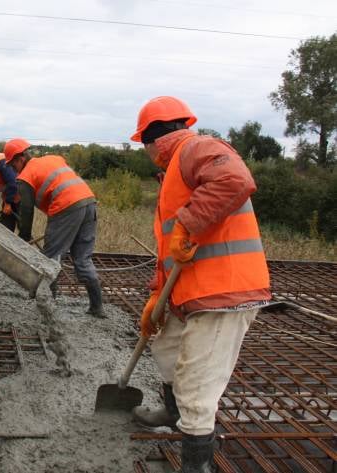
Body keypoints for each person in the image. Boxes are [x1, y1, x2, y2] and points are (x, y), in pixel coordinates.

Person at [129, 96, 271, 473]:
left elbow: (235, 180)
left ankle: (196, 464)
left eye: (142, 144)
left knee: (197, 386)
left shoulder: (197, 147)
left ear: (153, 139)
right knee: (166, 347)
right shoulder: (174, 172)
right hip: (188, 292)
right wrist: (156, 296)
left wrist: (191, 223)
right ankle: (171, 411)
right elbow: (172, 252)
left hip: (224, 294)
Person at [4, 138, 103, 317]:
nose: (12, 169)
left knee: (49, 258)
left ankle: (48, 304)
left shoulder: (25, 177)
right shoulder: (54, 158)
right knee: (83, 259)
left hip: (66, 207)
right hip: (89, 202)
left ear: (20, 159)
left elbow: (26, 209)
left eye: (12, 165)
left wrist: (24, 235)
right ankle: (97, 307)